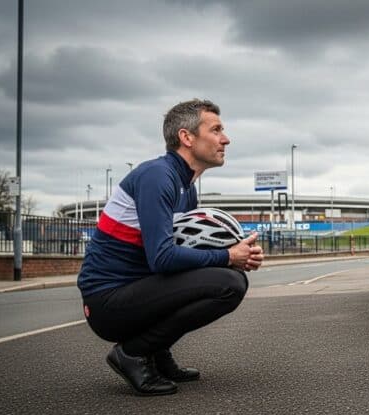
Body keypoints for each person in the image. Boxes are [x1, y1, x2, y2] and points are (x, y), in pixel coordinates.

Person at [77, 99, 264, 396]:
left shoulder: (185, 188)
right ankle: (133, 353)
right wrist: (229, 257)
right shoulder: (157, 177)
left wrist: (239, 254)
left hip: (137, 291)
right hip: (107, 302)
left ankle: (157, 353)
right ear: (186, 137)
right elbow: (162, 259)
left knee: (229, 276)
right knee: (228, 284)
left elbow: (189, 251)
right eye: (216, 130)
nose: (225, 139)